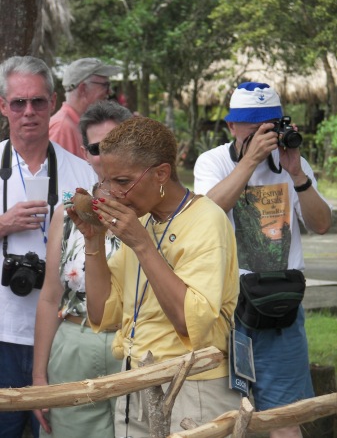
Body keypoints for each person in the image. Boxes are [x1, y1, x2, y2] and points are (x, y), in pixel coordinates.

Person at [67, 116, 241, 437]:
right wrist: (93, 239)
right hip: (137, 381)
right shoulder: (145, 222)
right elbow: (101, 313)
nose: (113, 194)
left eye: (122, 181)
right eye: (107, 182)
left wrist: (141, 244)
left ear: (161, 173)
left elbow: (190, 322)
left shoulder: (206, 220)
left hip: (194, 385)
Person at [194, 82, 332, 438]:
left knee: (285, 419)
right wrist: (251, 160)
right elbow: (206, 214)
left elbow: (321, 224)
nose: (262, 135)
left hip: (280, 308)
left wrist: (297, 173)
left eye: (269, 126)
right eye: (252, 128)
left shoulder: (291, 164)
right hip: (227, 308)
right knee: (219, 419)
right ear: (231, 127)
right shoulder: (212, 162)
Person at [0, 55, 97, 438]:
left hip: (61, 335)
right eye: (18, 102)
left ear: (53, 102)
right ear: (3, 105)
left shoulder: (81, 172)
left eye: (38, 101)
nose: (29, 112)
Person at [33, 100, 133, 437]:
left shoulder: (154, 213)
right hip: (74, 342)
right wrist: (39, 379)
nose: (107, 156)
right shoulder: (66, 212)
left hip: (136, 343)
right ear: (84, 152)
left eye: (117, 144)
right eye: (97, 148)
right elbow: (50, 297)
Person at [49, 57, 121, 158]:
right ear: (83, 89)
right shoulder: (62, 129)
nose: (109, 92)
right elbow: (54, 173)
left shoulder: (76, 125)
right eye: (105, 85)